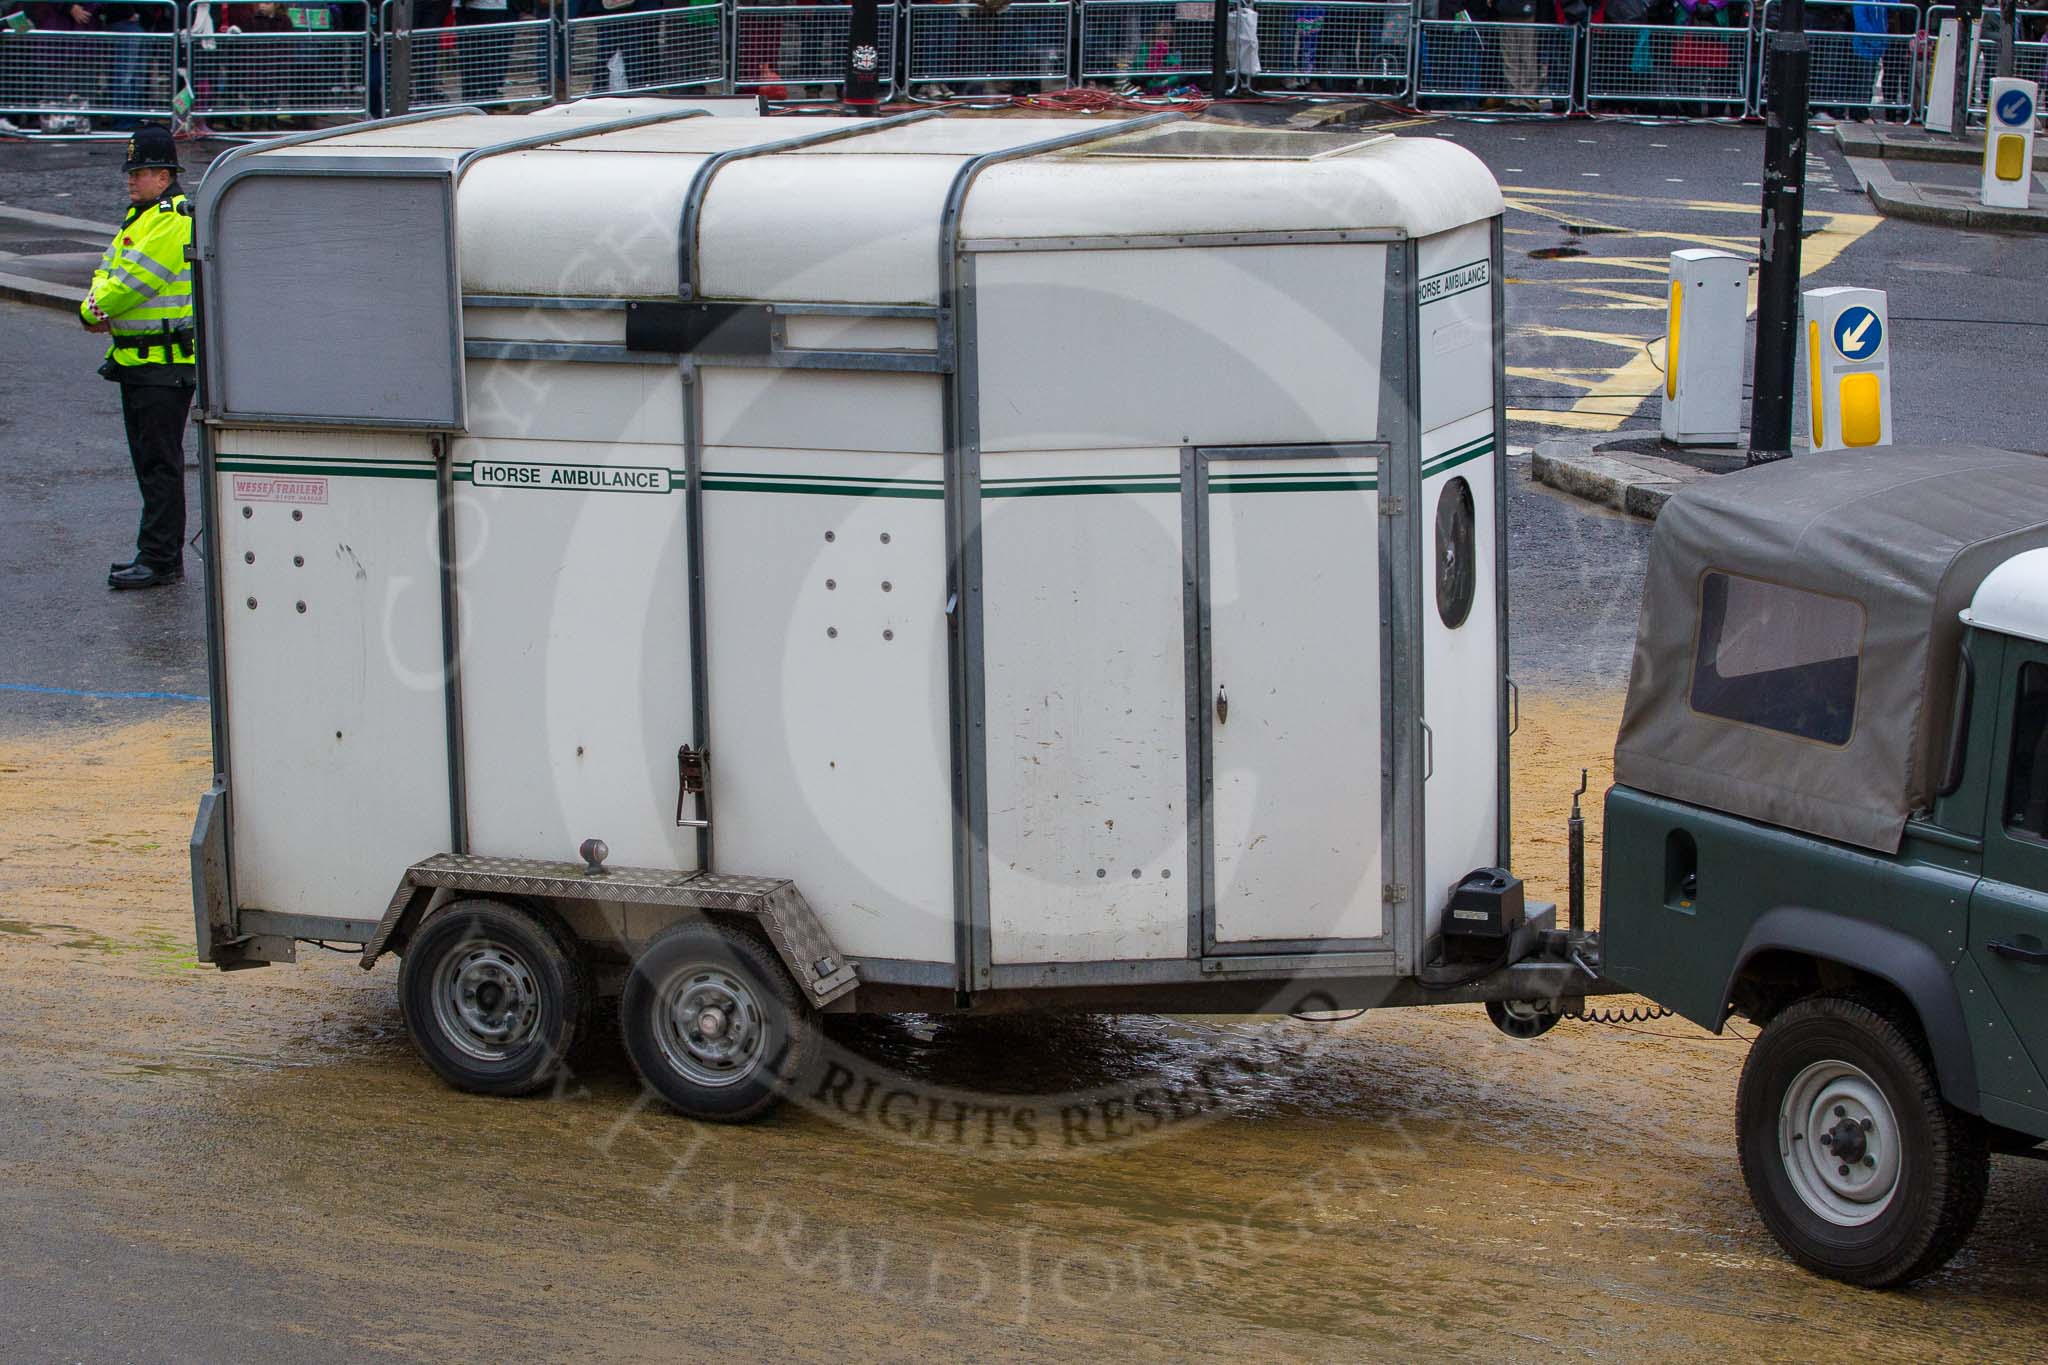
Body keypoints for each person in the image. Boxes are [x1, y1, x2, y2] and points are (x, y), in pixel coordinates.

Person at [82, 125, 195, 590]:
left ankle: (160, 559)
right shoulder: (142, 217)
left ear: (165, 175)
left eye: (141, 171)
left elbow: (131, 283)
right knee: (151, 463)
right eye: (131, 172)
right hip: (139, 362)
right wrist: (95, 304)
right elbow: (108, 270)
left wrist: (92, 309)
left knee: (159, 464)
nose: (132, 180)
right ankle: (155, 554)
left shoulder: (171, 220)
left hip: (161, 365)